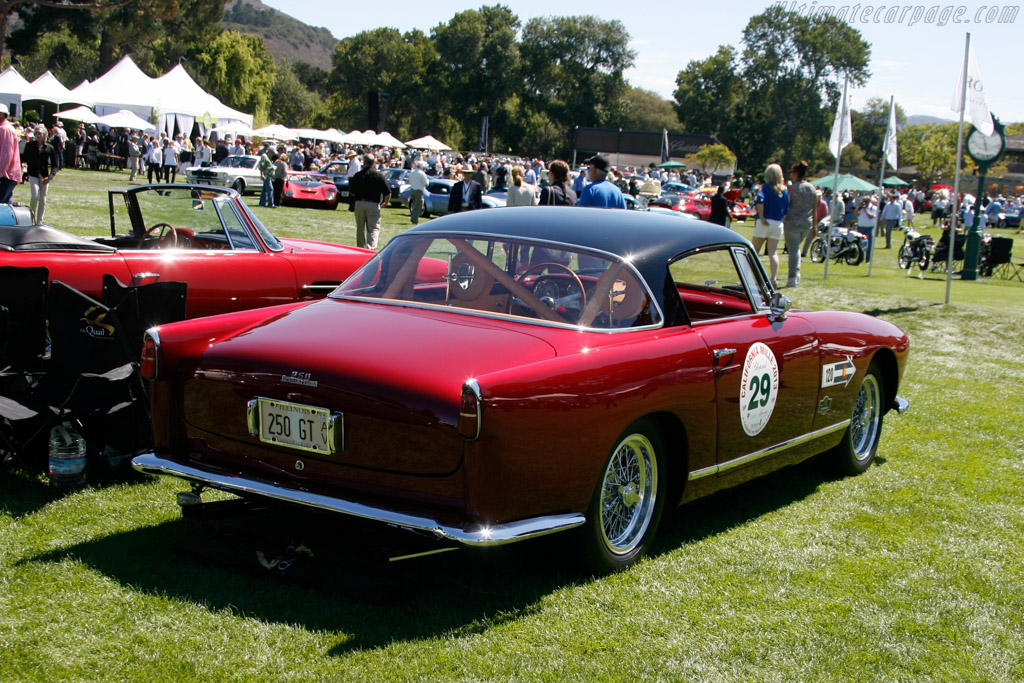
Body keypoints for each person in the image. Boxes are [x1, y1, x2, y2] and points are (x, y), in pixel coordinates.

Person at [753, 163, 789, 287]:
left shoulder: (765, 188)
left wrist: (762, 216)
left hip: (765, 221)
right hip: (778, 223)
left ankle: (749, 277)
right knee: (773, 252)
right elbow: (786, 209)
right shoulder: (784, 190)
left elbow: (760, 201)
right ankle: (774, 278)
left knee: (754, 250)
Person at [783, 160, 817, 287]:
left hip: (792, 223)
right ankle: (796, 275)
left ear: (796, 173)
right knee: (796, 250)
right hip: (806, 224)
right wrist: (814, 227)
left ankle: (792, 278)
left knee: (793, 251)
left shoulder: (791, 188)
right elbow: (814, 210)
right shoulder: (812, 188)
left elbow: (787, 205)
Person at [349, 154, 390, 249]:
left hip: (359, 203)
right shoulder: (379, 176)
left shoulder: (358, 175)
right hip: (373, 204)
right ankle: (370, 247)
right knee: (373, 228)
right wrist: (386, 202)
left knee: (360, 228)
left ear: (364, 162)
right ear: (373, 163)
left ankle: (361, 247)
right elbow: (387, 192)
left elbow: (352, 192)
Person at [22, 125, 59, 223]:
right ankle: (31, 219)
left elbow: (55, 165)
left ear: (44, 135)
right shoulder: (30, 145)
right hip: (33, 174)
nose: (37, 135)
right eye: (36, 133)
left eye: (39, 133)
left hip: (45, 176)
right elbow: (24, 158)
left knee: (42, 200)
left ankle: (39, 222)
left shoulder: (49, 147)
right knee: (35, 196)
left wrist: (50, 177)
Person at [0, 103, 21, 204]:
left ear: (2, 115)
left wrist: (0, 172)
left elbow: (6, 154)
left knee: (2, 207)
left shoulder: (5, 129)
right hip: (6, 174)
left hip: (6, 175)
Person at [406, 160, 429, 224]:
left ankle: (414, 216)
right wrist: (428, 181)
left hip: (412, 189)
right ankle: (414, 219)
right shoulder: (422, 173)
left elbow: (410, 180)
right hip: (419, 190)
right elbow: (426, 183)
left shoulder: (412, 172)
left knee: (415, 204)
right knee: (418, 205)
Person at [857, 196, 878, 262]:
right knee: (860, 244)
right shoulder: (861, 208)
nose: (864, 202)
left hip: (868, 228)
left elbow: (870, 216)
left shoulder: (873, 208)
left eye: (865, 201)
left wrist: (865, 209)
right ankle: (861, 258)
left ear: (869, 201)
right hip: (860, 228)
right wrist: (859, 207)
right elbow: (855, 213)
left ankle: (868, 259)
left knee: (869, 244)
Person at [257, 144, 276, 208]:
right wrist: (262, 174)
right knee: (270, 188)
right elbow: (261, 166)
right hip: (266, 174)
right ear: (270, 150)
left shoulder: (269, 156)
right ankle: (271, 203)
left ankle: (262, 203)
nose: (273, 153)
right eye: (273, 151)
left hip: (269, 175)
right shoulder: (264, 156)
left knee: (264, 189)